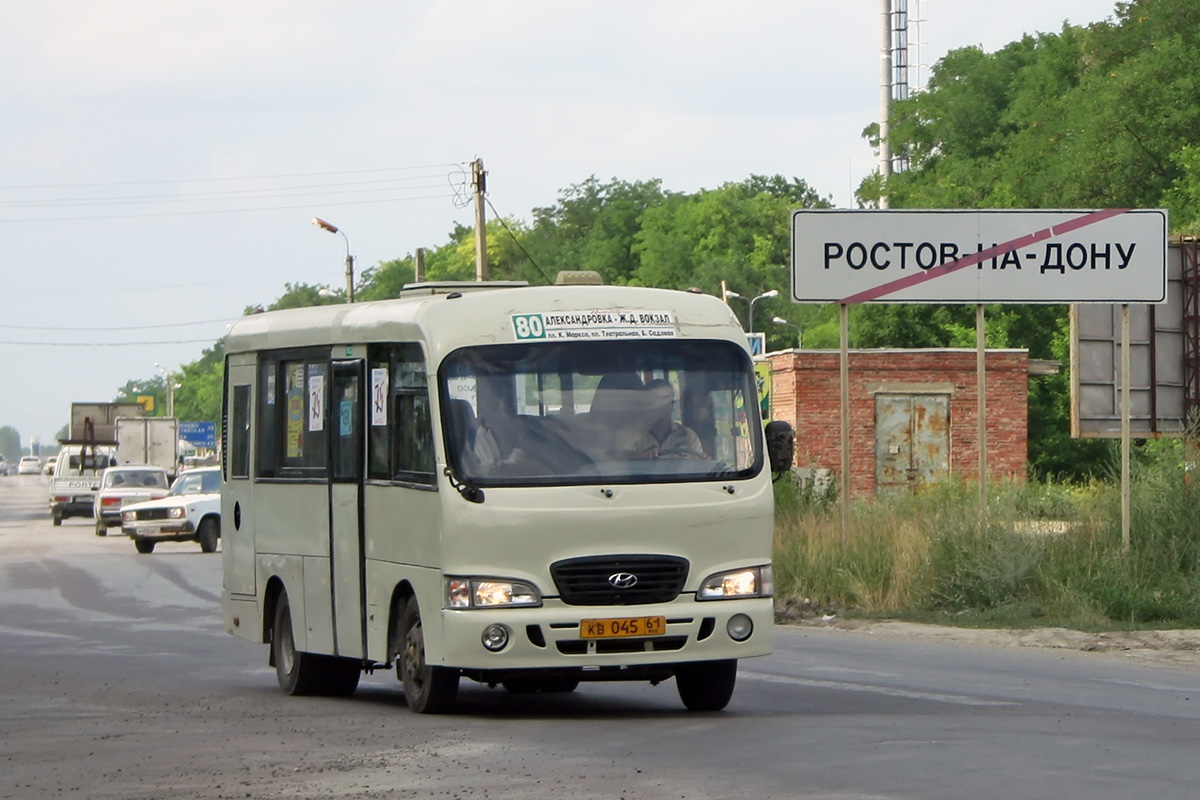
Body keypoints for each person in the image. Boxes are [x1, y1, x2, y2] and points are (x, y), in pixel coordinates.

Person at [623, 379, 706, 460]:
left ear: (672, 404)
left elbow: (698, 466)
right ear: (645, 404)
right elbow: (620, 460)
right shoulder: (629, 435)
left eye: (666, 400)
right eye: (654, 401)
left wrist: (704, 461)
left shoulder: (688, 436)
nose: (661, 406)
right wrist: (640, 457)